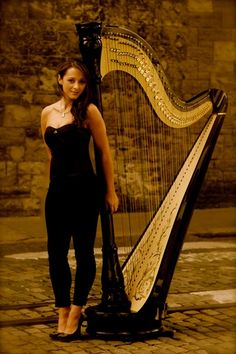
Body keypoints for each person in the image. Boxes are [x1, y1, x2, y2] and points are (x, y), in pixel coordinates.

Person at [41, 60, 119, 342]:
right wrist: (54, 186)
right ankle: (61, 310)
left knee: (84, 252)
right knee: (56, 254)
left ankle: (76, 312)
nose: (76, 87)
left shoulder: (89, 111)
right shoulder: (47, 113)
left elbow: (104, 154)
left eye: (82, 82)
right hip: (58, 192)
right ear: (60, 79)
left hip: (85, 190)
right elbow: (51, 154)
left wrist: (109, 191)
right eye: (71, 80)